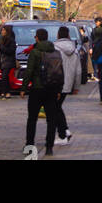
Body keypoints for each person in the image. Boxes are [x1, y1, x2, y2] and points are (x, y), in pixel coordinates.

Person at [22, 27, 63, 156]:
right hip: (52, 89)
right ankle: (49, 147)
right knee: (51, 120)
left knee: (32, 119)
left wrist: (23, 88)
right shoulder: (56, 52)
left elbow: (29, 71)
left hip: (37, 89)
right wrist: (59, 90)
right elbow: (60, 73)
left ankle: (30, 147)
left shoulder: (35, 52)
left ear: (37, 38)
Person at [53, 24, 81, 146]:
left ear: (58, 35)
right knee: (57, 107)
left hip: (56, 83)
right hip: (68, 84)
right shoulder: (75, 50)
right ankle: (65, 130)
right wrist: (76, 86)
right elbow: (78, 71)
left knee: (55, 108)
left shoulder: (54, 48)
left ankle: (63, 134)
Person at [0, 22, 18, 98]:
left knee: (5, 76)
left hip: (8, 61)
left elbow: (10, 51)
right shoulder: (2, 39)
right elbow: (2, 50)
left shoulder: (11, 41)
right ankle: (5, 92)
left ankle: (6, 92)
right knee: (4, 77)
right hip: (2, 61)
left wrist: (1, 48)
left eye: (3, 30)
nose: (2, 32)